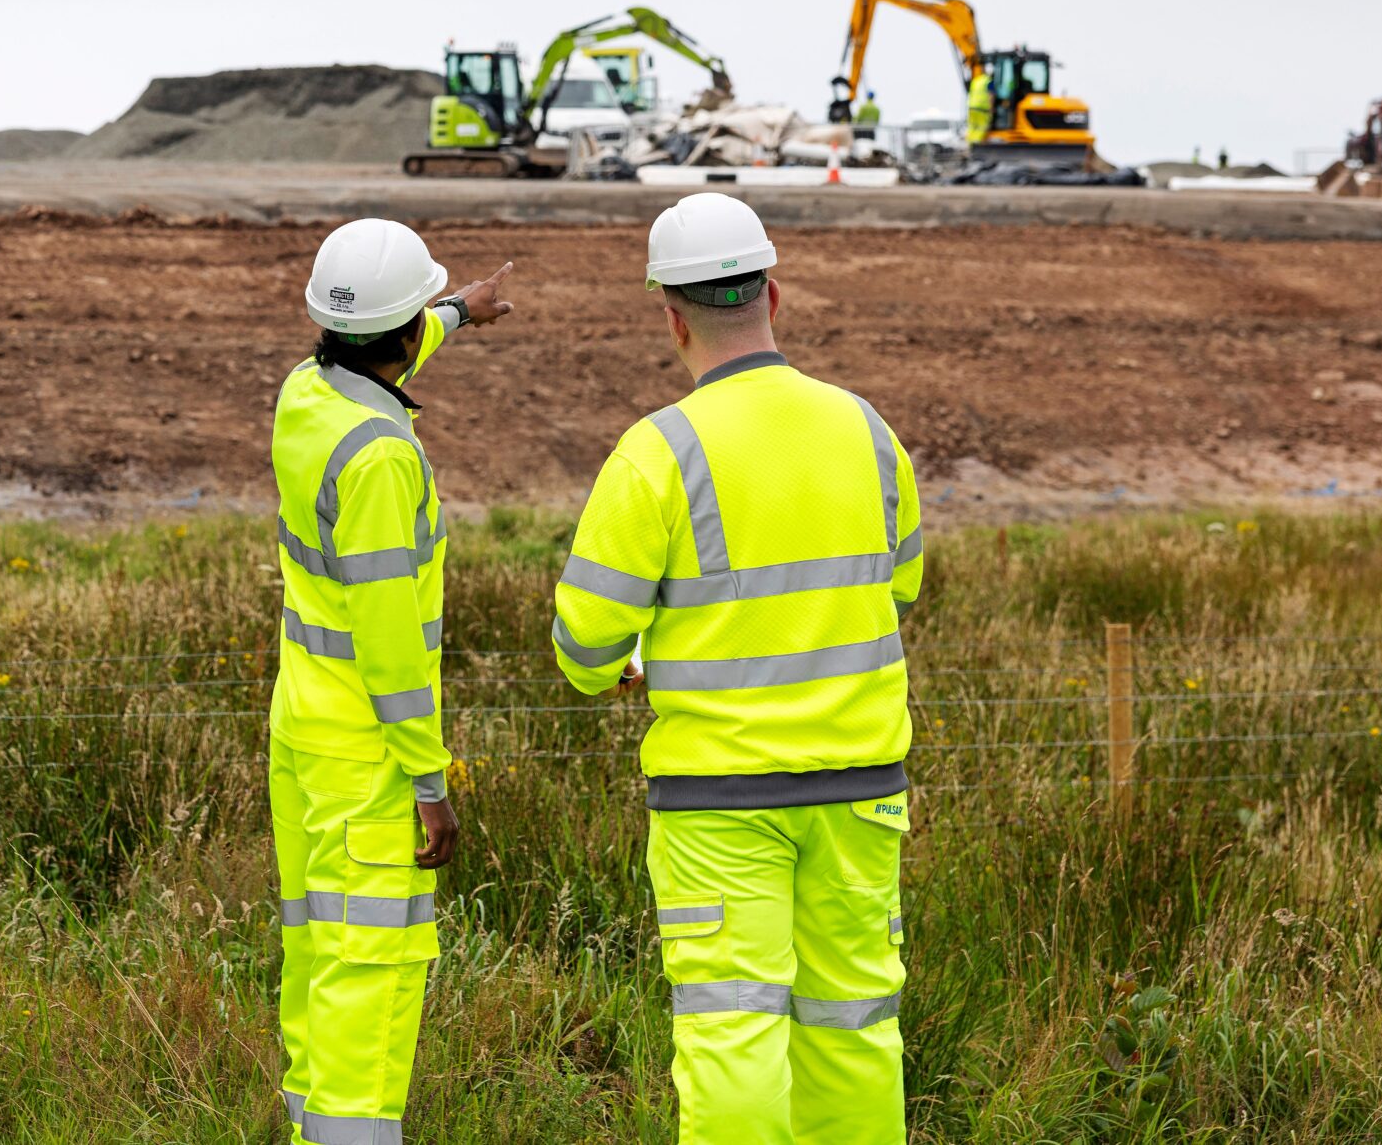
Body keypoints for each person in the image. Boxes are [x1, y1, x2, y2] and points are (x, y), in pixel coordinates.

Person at [552, 192, 920, 1145]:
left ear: (671, 317)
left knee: (734, 1033)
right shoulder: (869, 432)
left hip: (722, 802)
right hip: (862, 792)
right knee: (855, 1026)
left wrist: (632, 665)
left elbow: (586, 648)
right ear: (774, 296)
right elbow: (901, 586)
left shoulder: (657, 454)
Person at [272, 218, 517, 1144]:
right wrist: (429, 785)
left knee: (317, 956)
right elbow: (390, 650)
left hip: (303, 731)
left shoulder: (306, 393)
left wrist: (457, 312)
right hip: (368, 757)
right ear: (404, 333)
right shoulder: (381, 460)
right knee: (370, 980)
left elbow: (379, 347)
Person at [965, 66, 992, 145]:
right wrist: (991, 108)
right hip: (982, 109)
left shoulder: (975, 81)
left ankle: (969, 144)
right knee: (982, 127)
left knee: (972, 127)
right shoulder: (988, 81)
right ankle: (976, 145)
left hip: (971, 108)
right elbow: (991, 95)